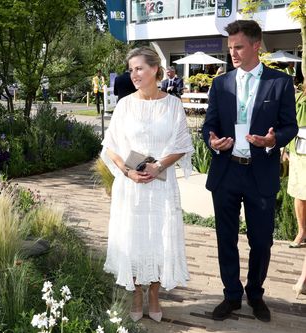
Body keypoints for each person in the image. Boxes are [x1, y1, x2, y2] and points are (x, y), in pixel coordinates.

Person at [202, 20, 298, 322]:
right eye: (230, 47)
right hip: (226, 172)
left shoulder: (280, 82)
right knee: (225, 238)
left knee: (261, 240)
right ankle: (231, 295)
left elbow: (290, 127)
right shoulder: (221, 84)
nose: (233, 53)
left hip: (260, 174)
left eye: (239, 46)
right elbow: (209, 125)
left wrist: (273, 140)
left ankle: (255, 294)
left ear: (257, 46)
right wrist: (213, 141)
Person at [100, 46, 194, 323]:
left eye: (139, 68)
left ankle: (153, 294)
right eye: (131, 70)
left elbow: (182, 145)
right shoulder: (125, 104)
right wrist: (127, 172)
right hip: (131, 187)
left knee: (158, 239)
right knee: (133, 237)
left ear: (155, 69)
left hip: (161, 186)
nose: (134, 74)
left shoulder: (174, 105)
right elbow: (111, 147)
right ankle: (136, 295)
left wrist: (160, 165)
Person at [283, 88, 306, 248]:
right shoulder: (298, 98)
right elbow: (287, 124)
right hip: (299, 152)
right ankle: (301, 231)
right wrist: (284, 149)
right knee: (300, 193)